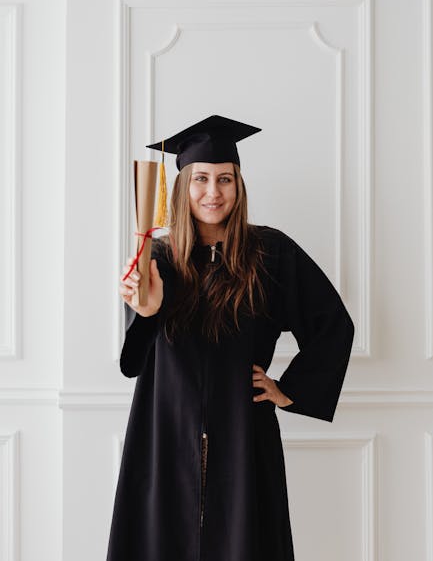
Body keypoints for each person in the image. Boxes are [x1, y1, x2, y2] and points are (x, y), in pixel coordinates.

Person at [106, 115, 355, 561]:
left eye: (226, 179)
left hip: (244, 427)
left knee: (246, 538)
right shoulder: (156, 257)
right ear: (183, 187)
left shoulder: (271, 254)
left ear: (239, 186)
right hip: (164, 426)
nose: (213, 191)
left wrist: (289, 390)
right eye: (200, 178)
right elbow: (132, 364)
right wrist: (146, 312)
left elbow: (332, 324)